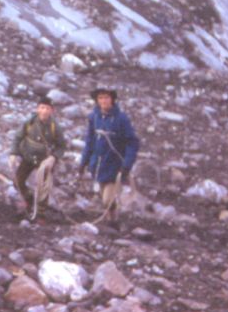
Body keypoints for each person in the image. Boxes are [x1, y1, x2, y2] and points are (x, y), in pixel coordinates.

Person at [79, 87, 139, 229]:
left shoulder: (121, 119)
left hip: (115, 165)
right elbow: (90, 141)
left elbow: (132, 142)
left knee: (107, 199)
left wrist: (127, 164)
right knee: (102, 194)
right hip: (99, 164)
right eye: (100, 98)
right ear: (97, 101)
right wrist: (84, 162)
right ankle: (112, 219)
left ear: (112, 99)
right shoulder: (94, 117)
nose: (103, 101)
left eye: (106, 97)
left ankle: (113, 219)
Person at [9, 96, 66, 221]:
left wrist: (53, 158)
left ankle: (41, 213)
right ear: (37, 109)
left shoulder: (55, 127)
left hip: (44, 160)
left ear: (52, 111)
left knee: (43, 186)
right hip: (28, 156)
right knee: (18, 181)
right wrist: (13, 153)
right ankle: (29, 199)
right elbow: (18, 137)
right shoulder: (29, 122)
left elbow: (61, 146)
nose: (44, 111)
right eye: (42, 108)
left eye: (47, 108)